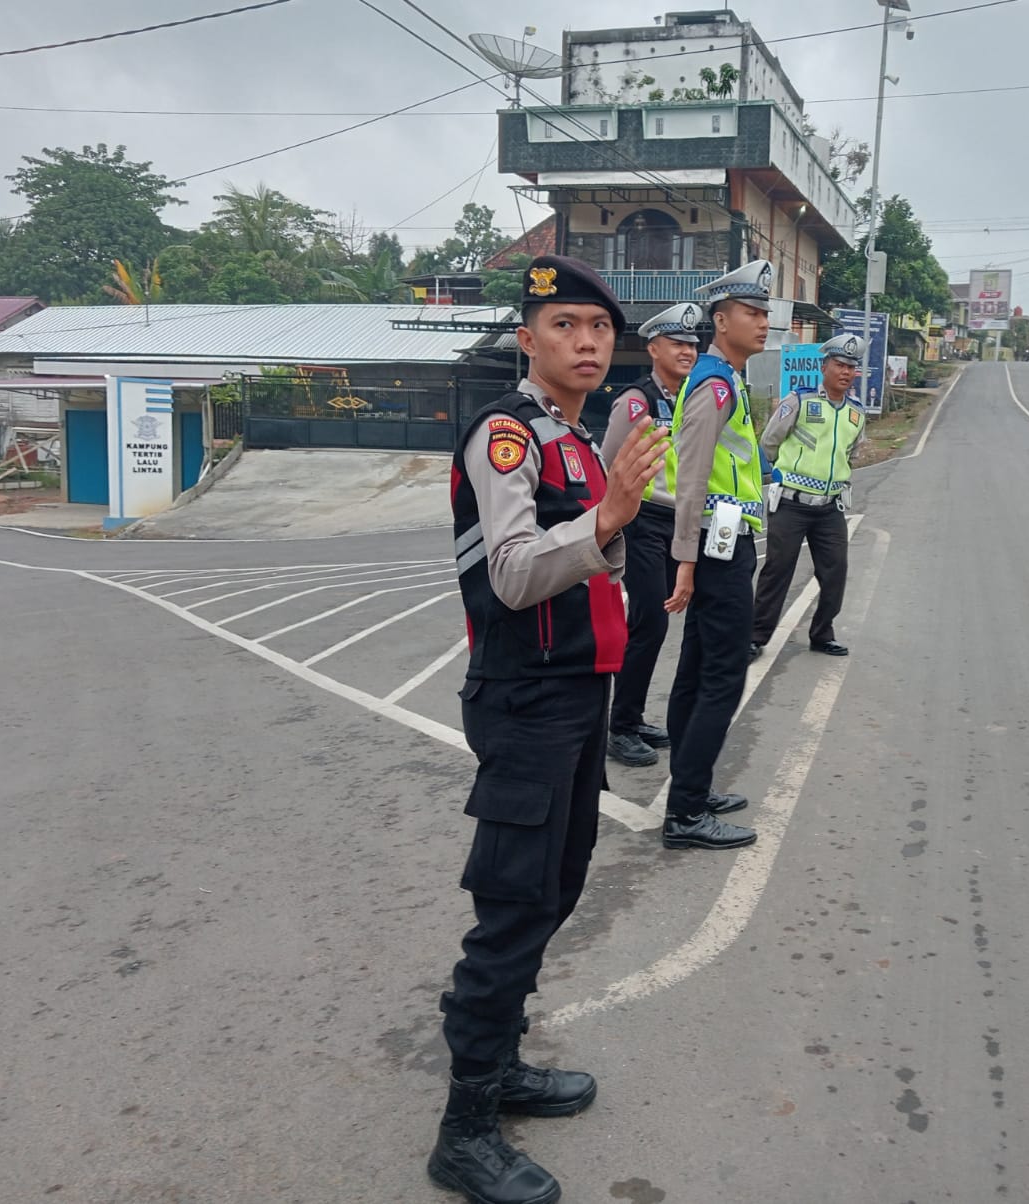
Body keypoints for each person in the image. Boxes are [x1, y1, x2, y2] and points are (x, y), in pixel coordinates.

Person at [432, 255, 668, 1204]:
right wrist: (612, 513)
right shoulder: (508, 437)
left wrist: (611, 513)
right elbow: (516, 576)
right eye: (565, 325)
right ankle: (465, 1123)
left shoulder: (574, 442)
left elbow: (591, 562)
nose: (586, 341)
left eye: (600, 329)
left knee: (557, 889)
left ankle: (504, 1061)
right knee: (515, 903)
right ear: (527, 340)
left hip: (578, 696)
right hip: (526, 700)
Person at [659, 260, 777, 852]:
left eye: (765, 313)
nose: (764, 322)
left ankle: (692, 788)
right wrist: (687, 559)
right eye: (753, 313)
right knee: (722, 676)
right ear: (721, 318)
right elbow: (692, 475)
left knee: (697, 672)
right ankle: (685, 813)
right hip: (714, 545)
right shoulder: (714, 384)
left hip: (720, 540)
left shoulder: (723, 379)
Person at [600, 301, 702, 768]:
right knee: (650, 622)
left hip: (675, 523)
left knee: (653, 626)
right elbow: (608, 463)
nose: (687, 351)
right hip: (641, 523)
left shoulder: (692, 398)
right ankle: (619, 727)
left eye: (693, 345)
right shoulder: (636, 402)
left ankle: (632, 715)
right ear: (653, 348)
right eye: (678, 343)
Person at [749, 332, 868, 660]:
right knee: (778, 570)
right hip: (791, 504)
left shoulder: (856, 413)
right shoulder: (798, 401)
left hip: (830, 507)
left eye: (851, 367)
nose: (845, 372)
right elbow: (769, 442)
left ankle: (822, 634)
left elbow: (852, 454)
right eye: (840, 365)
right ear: (824, 366)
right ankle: (756, 637)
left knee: (835, 572)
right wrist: (784, 474)